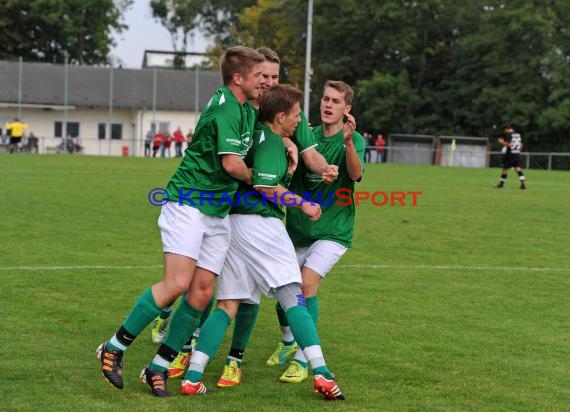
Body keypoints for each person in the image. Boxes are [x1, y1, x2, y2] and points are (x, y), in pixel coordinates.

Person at [96, 45, 266, 397]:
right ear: (239, 78)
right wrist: (264, 180)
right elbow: (233, 166)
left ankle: (158, 365)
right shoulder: (226, 108)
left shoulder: (246, 109)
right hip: (188, 203)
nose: (264, 82)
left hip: (216, 211)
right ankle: (114, 346)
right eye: (258, 76)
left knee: (202, 293)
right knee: (176, 283)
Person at [179, 84, 345, 401]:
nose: (299, 121)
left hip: (234, 223)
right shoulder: (270, 141)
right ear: (280, 116)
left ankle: (193, 376)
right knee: (294, 297)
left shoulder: (256, 134)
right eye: (296, 115)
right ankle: (322, 373)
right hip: (260, 225)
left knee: (227, 304)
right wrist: (303, 203)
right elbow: (265, 186)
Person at [266, 80, 365, 384]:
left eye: (336, 101)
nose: (328, 104)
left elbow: (356, 174)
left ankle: (303, 360)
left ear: (347, 109)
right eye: (325, 99)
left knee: (306, 287)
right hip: (297, 229)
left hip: (333, 230)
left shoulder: (354, 139)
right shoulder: (304, 132)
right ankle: (287, 341)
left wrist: (347, 143)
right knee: (284, 293)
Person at [495, 124, 526, 189]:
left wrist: (502, 142)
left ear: (506, 129)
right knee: (517, 168)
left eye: (504, 130)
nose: (504, 132)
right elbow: (521, 144)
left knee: (505, 168)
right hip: (517, 153)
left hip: (510, 153)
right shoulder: (518, 134)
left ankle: (501, 184)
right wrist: (518, 150)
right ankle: (523, 182)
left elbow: (509, 144)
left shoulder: (509, 134)